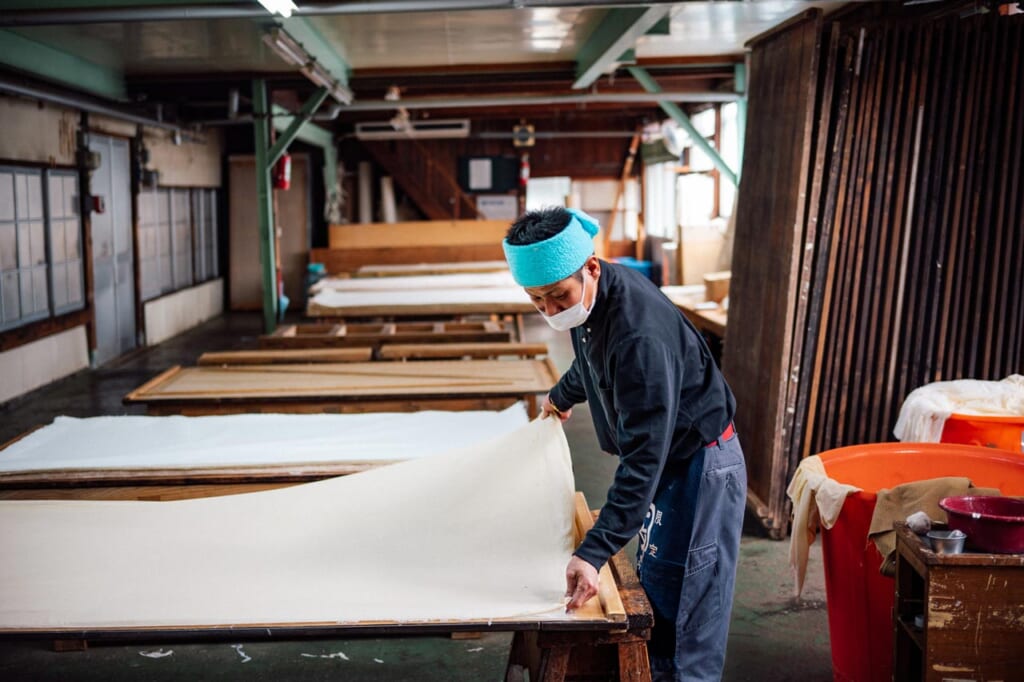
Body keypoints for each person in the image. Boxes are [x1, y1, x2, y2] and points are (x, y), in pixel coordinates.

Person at [502, 206, 747, 681]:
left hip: (700, 464)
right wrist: (561, 395)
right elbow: (594, 362)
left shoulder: (639, 337)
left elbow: (642, 460)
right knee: (659, 589)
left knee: (688, 615)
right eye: (536, 302)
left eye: (557, 296)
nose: (551, 311)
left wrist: (593, 552)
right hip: (672, 460)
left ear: (590, 267)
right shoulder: (594, 300)